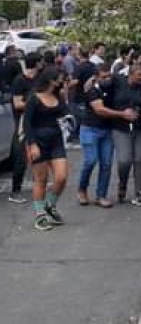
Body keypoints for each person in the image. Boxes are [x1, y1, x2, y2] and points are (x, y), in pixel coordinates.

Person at [78, 63, 133, 208]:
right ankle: (82, 189)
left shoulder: (111, 85)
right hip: (90, 128)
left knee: (106, 164)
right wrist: (122, 114)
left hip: (106, 130)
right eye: (104, 77)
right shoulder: (92, 90)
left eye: (109, 75)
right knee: (90, 160)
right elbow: (100, 110)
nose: (107, 79)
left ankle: (101, 195)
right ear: (96, 77)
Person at [23, 67, 69, 231]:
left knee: (61, 177)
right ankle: (40, 214)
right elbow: (27, 123)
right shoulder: (34, 98)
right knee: (40, 180)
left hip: (56, 140)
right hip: (38, 141)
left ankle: (50, 204)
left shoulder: (58, 95)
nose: (63, 80)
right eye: (60, 78)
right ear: (51, 80)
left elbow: (65, 113)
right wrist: (32, 144)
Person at [110, 64, 141, 206]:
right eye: (139, 75)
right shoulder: (117, 82)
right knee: (124, 160)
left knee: (140, 159)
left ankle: (138, 192)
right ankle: (122, 184)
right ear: (130, 74)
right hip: (120, 127)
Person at [8, 53, 43, 204]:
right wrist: (35, 103)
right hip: (23, 123)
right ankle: (15, 191)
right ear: (36, 63)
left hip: (38, 123)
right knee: (21, 159)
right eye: (40, 62)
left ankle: (39, 185)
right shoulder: (19, 81)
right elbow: (17, 104)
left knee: (39, 156)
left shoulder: (39, 79)